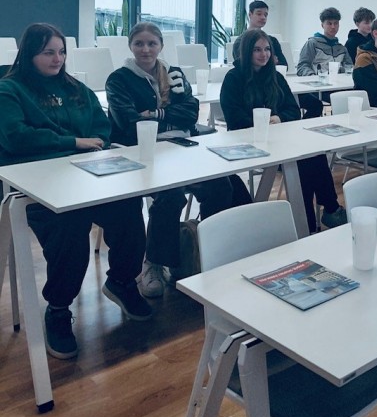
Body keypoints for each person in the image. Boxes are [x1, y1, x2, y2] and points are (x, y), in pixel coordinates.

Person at [0, 23, 149, 360]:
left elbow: (101, 127)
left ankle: (122, 281)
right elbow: (16, 138)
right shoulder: (9, 90)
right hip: (36, 186)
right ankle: (58, 307)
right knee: (70, 225)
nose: (57, 59)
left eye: (61, 52)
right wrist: (74, 142)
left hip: (87, 177)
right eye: (48, 52)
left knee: (128, 206)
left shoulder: (76, 88)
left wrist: (92, 146)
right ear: (29, 54)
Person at [106, 22, 251, 297]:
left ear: (160, 46)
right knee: (170, 195)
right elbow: (129, 121)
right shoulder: (119, 79)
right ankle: (155, 262)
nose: (146, 49)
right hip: (143, 151)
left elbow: (191, 112)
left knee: (221, 186)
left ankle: (203, 250)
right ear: (130, 46)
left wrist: (154, 114)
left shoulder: (173, 74)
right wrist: (167, 117)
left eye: (152, 43)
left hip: (182, 146)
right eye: (139, 43)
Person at [219, 29, 347, 231]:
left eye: (267, 49)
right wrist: (261, 123)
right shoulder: (233, 78)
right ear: (246, 51)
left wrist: (279, 118)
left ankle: (321, 215)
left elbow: (293, 110)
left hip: (280, 139)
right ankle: (319, 217)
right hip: (247, 142)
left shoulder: (275, 77)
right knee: (304, 162)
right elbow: (234, 118)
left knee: (313, 155)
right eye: (257, 50)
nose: (264, 54)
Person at [296, 7, 353, 75]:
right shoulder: (312, 43)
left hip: (338, 81)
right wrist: (312, 76)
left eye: (336, 23)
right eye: (329, 23)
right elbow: (302, 66)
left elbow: (349, 67)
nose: (333, 27)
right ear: (322, 25)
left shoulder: (342, 49)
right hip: (316, 80)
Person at [232, 0, 287, 66]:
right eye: (259, 14)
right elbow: (243, 65)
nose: (263, 17)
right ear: (250, 15)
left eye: (265, 15)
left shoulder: (273, 41)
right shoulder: (240, 42)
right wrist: (271, 62)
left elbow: (284, 65)